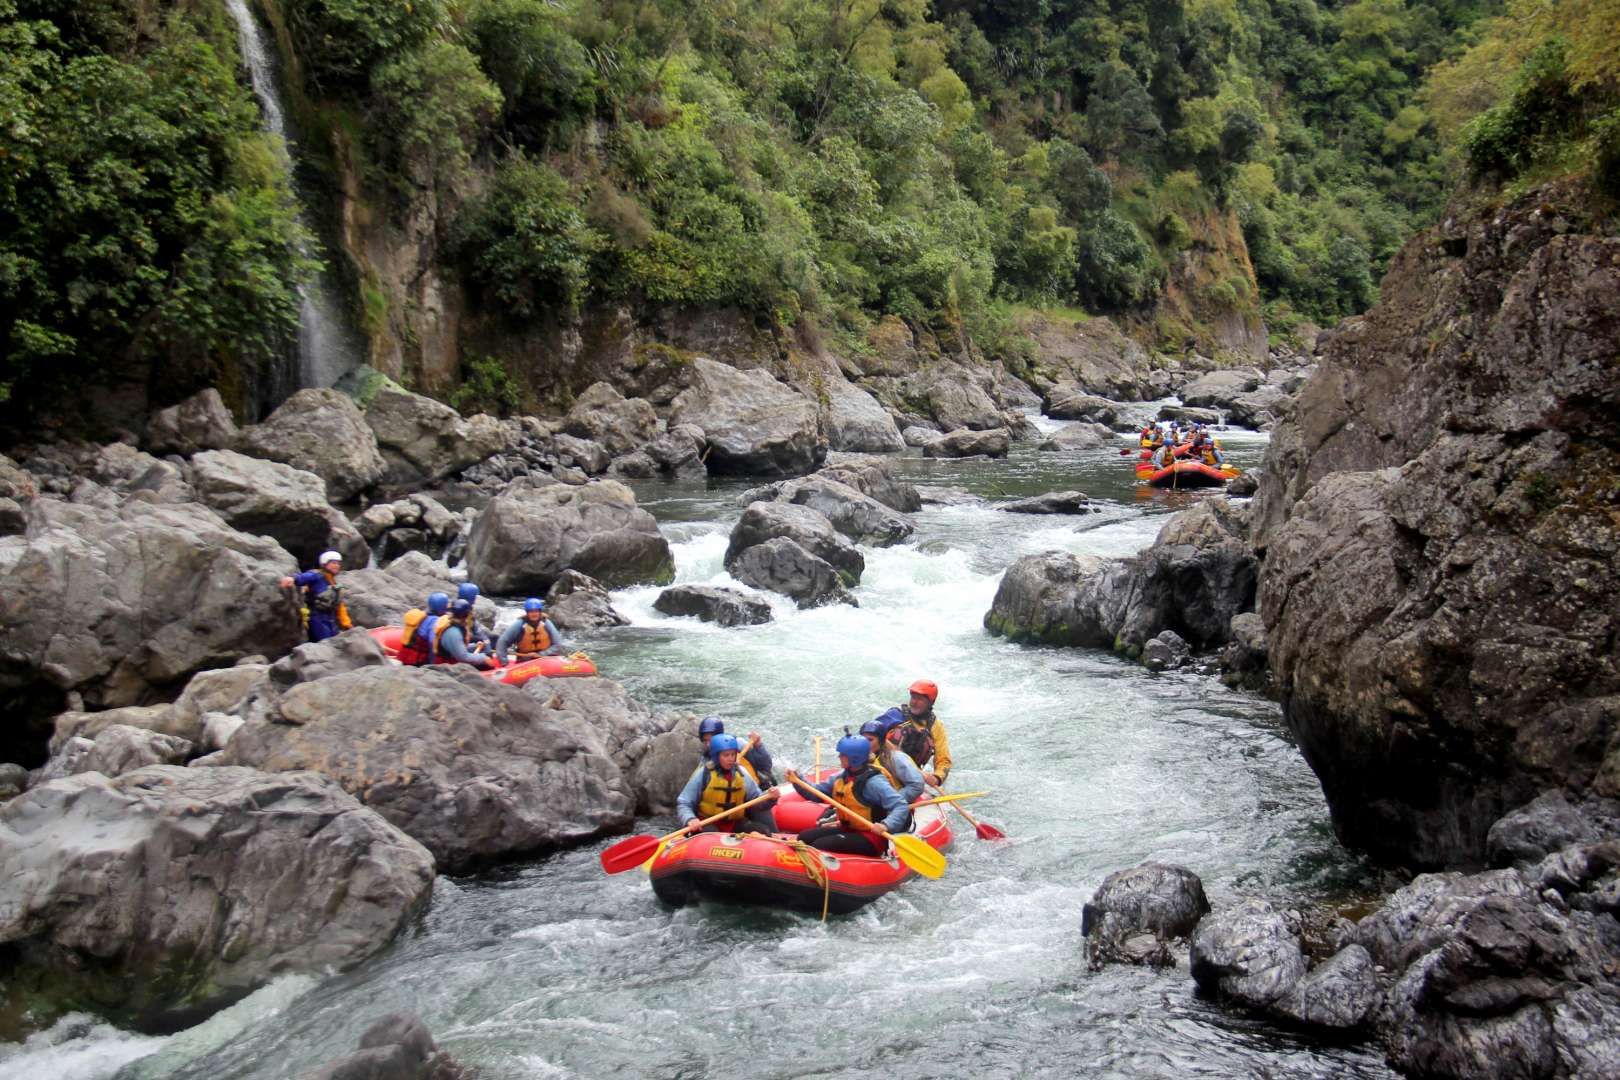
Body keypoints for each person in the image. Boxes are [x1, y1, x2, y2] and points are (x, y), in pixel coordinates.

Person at [784, 736, 909, 856]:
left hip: (871, 837)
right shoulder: (841, 777)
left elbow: (900, 805)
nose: (839, 757)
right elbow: (816, 794)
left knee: (819, 844)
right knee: (804, 837)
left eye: (842, 755)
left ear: (855, 758)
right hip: (849, 830)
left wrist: (886, 825)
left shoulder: (874, 782)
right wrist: (797, 780)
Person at [676, 733, 779, 835]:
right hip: (708, 823)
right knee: (712, 835)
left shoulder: (741, 774)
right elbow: (684, 802)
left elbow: (757, 801)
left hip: (733, 824)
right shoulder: (704, 774)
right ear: (716, 756)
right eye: (726, 755)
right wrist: (690, 819)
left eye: (733, 754)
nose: (730, 759)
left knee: (762, 830)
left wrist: (770, 798)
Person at [279, 550, 351, 643]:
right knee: (326, 643)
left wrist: (347, 624)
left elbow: (340, 606)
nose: (336, 565)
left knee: (334, 642)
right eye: (333, 563)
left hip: (330, 618)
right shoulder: (316, 576)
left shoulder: (334, 583)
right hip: (317, 617)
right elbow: (305, 577)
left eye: (338, 563)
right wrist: (293, 579)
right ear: (324, 564)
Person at [896, 679, 951, 788]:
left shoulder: (936, 727)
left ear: (931, 702)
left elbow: (943, 760)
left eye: (920, 699)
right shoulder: (896, 715)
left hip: (912, 777)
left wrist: (936, 778)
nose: (914, 702)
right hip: (888, 767)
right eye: (913, 697)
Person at [863, 708, 925, 806]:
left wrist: (892, 801)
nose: (864, 743)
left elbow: (917, 785)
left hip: (891, 806)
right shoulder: (861, 756)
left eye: (870, 740)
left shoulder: (896, 758)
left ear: (881, 740)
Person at [697, 716, 776, 787]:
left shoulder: (738, 744)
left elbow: (765, 765)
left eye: (710, 740)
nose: (708, 744)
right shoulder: (706, 758)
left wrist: (758, 745)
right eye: (705, 741)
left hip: (757, 788)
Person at [496, 598, 565, 664]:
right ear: (527, 612)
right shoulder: (519, 624)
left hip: (545, 658)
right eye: (531, 611)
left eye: (536, 611)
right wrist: (504, 661)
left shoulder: (546, 623)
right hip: (526, 659)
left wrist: (541, 654)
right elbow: (502, 641)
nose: (534, 614)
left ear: (540, 612)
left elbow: (558, 644)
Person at [433, 598, 496, 669]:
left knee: (489, 643)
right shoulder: (453, 632)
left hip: (452, 657)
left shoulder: (454, 625)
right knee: (486, 664)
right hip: (446, 666)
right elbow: (462, 657)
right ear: (465, 615)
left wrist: (474, 646)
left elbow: (456, 647)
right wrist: (483, 658)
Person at [396, 591, 450, 666]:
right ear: (442, 607)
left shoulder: (423, 615)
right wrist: (433, 662)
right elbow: (432, 641)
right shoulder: (435, 621)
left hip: (406, 655)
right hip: (417, 660)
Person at [456, 583, 492, 653]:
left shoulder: (469, 610)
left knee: (492, 638)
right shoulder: (458, 610)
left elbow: (477, 628)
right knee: (483, 642)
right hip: (462, 640)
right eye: (474, 597)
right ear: (470, 597)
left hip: (469, 636)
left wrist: (485, 640)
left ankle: (487, 654)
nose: (475, 600)